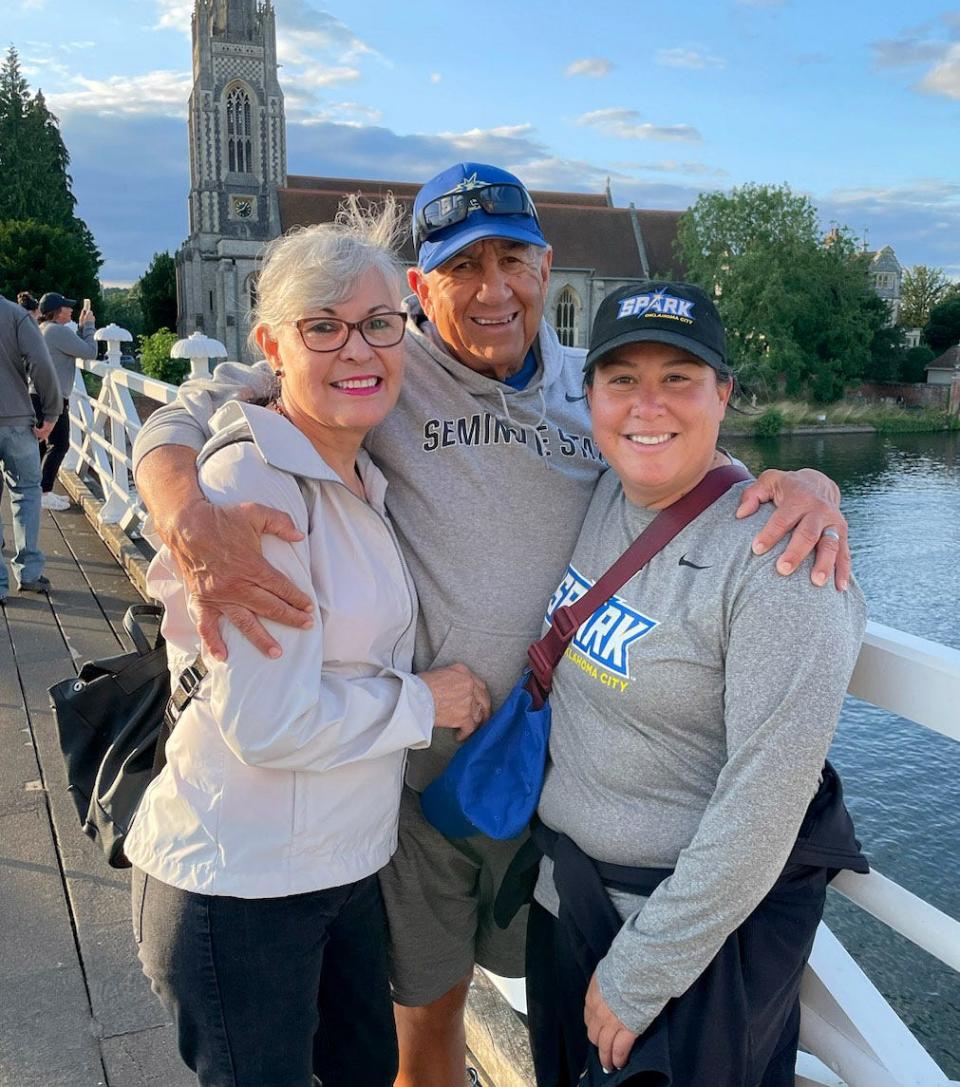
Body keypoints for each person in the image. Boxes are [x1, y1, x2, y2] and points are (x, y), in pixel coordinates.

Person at [131, 162, 851, 1086]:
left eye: (512, 258)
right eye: (462, 268)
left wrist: (811, 487)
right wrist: (184, 508)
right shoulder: (376, 365)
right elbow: (191, 411)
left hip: (548, 785)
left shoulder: (590, 392)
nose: (492, 289)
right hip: (415, 786)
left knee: (561, 1025)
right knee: (425, 1026)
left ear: (546, 267)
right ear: (422, 286)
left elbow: (672, 444)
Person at [124, 205, 491, 1087]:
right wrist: (426, 703)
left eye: (376, 324)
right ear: (272, 347)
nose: (357, 350)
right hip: (241, 889)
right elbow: (272, 724)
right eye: (322, 327)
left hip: (341, 871)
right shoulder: (254, 484)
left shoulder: (358, 462)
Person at [519, 282, 867, 1086]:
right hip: (569, 904)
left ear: (724, 393)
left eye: (679, 376)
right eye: (622, 379)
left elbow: (763, 806)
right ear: (591, 394)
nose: (649, 404)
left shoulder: (783, 565)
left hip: (679, 952)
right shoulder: (602, 490)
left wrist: (642, 971)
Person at [0, 294, 61, 602]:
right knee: (26, 491)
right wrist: (51, 412)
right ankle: (29, 573)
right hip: (15, 419)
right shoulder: (14, 315)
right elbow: (40, 362)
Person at [35, 291, 98, 510]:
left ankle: (38, 490)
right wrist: (89, 326)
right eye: (67, 307)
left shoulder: (44, 329)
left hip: (39, 394)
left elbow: (75, 347)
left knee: (43, 444)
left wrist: (80, 329)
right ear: (57, 312)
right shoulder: (57, 331)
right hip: (53, 397)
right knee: (59, 444)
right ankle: (44, 492)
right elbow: (90, 352)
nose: (71, 309)